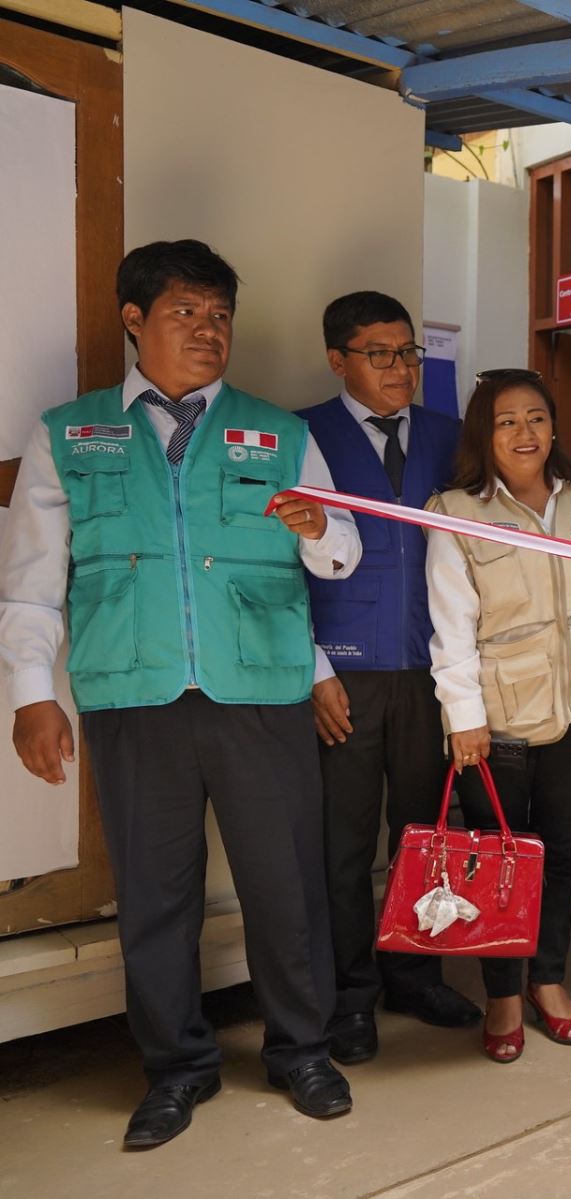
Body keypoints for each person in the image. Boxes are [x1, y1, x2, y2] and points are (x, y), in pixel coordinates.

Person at [0, 239, 362, 1147]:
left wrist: (322, 526)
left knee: (285, 882)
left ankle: (302, 1049)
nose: (209, 330)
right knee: (157, 894)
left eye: (220, 315)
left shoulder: (280, 432)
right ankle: (175, 1066)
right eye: (186, 312)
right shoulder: (68, 434)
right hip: (134, 694)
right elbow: (33, 581)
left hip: (261, 691)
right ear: (135, 319)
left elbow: (342, 551)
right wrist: (30, 691)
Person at [299, 291, 479, 1066]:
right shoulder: (300, 433)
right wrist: (310, 671)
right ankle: (350, 995)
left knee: (423, 836)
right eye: (379, 353)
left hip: (430, 671)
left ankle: (415, 971)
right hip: (343, 675)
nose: (400, 367)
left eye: (407, 352)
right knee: (342, 846)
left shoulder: (450, 436)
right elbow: (274, 567)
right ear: (339, 359)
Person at [423, 369, 571, 1063]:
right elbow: (451, 625)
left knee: (560, 855)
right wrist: (463, 715)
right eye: (506, 421)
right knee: (499, 859)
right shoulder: (454, 510)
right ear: (485, 433)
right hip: (496, 719)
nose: (524, 432)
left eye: (536, 417)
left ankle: (550, 979)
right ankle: (503, 990)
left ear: (554, 427)